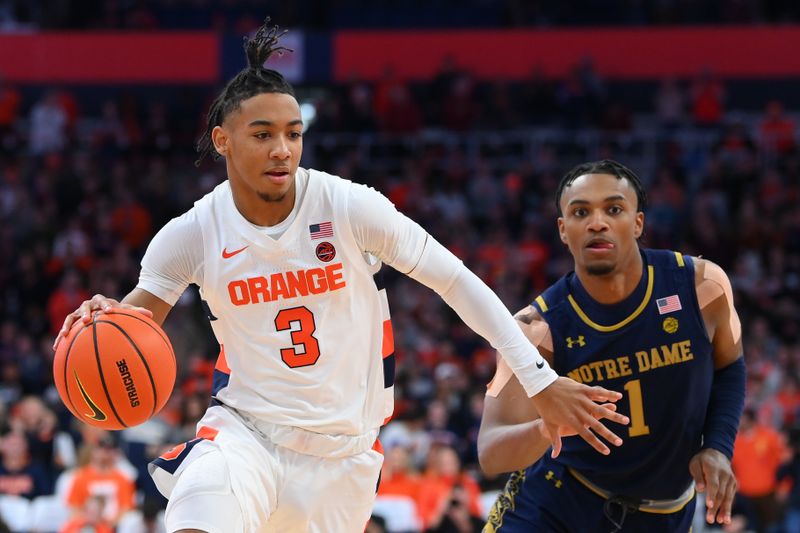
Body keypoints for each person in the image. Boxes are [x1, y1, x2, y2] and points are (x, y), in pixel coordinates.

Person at [53, 20, 627, 533]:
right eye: (262, 134)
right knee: (198, 515)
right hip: (243, 435)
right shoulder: (191, 233)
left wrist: (539, 379)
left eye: (293, 132)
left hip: (345, 456)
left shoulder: (349, 207)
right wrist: (105, 317)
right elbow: (133, 327)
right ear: (223, 140)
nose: (283, 149)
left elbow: (455, 280)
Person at [478, 160, 746, 532]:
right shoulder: (535, 329)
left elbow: (730, 366)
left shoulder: (702, 287)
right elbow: (490, 453)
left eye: (614, 209)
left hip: (663, 515)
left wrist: (718, 445)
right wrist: (544, 427)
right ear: (563, 230)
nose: (597, 222)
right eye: (580, 212)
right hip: (556, 506)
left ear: (638, 223)